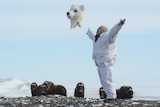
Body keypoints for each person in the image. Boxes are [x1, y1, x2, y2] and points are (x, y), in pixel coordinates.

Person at [86, 19, 126, 101]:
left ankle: (112, 97)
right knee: (104, 81)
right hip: (100, 63)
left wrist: (119, 25)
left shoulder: (107, 37)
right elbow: (92, 35)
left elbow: (114, 32)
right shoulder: (97, 38)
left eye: (99, 29)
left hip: (106, 63)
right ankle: (110, 96)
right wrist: (88, 31)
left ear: (102, 30)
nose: (97, 30)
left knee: (107, 80)